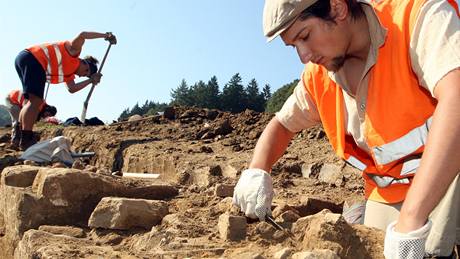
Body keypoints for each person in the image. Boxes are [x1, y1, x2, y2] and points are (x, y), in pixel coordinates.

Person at [232, 0, 459, 258]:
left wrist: (411, 219)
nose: (304, 55)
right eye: (294, 46)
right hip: (391, 192)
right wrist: (257, 170)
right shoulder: (319, 77)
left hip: (452, 171)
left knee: (431, 248)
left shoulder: (416, 16)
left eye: (305, 36)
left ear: (337, 7)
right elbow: (282, 124)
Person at [14, 31, 117, 150]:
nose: (81, 76)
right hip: (34, 59)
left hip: (26, 58)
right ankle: (26, 139)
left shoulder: (69, 73)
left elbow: (72, 89)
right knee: (35, 102)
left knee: (29, 101)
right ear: (86, 65)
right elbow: (83, 34)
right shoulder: (74, 52)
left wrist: (90, 81)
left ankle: (19, 136)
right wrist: (106, 36)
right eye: (85, 73)